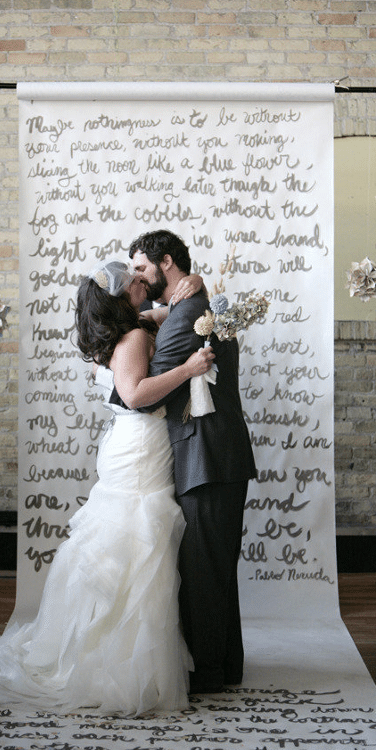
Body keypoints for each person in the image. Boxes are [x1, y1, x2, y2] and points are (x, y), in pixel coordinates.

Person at [0, 261, 214, 716]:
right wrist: (189, 368)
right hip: (139, 447)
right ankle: (115, 664)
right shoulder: (136, 338)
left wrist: (195, 283)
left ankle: (110, 651)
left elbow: (169, 312)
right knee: (137, 545)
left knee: (131, 545)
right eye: (136, 282)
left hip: (130, 446)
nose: (144, 282)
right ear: (123, 297)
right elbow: (136, 393)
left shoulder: (134, 329)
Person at [127, 229, 257, 694]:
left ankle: (207, 674)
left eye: (141, 268)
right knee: (216, 566)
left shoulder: (187, 314)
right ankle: (225, 666)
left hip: (206, 458)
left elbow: (145, 395)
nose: (135, 278)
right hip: (219, 455)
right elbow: (140, 314)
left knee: (203, 569)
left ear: (165, 264)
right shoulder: (199, 304)